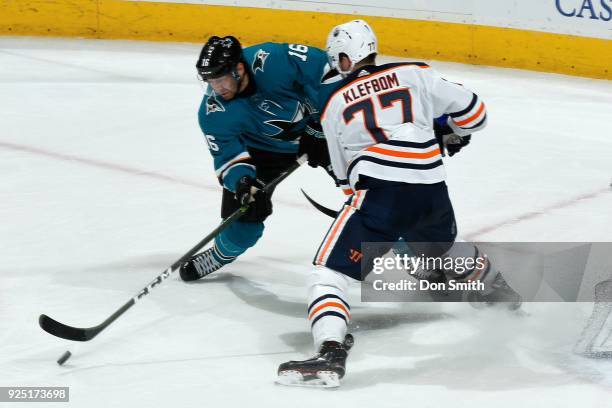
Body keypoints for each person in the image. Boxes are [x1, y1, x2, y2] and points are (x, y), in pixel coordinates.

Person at [276, 20, 521, 387]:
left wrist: (374, 222)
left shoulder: (332, 103)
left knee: (328, 273)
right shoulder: (416, 73)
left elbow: (345, 180)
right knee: (441, 247)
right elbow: (476, 115)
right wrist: (449, 132)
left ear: (344, 58)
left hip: (380, 192)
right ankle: (498, 288)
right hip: (432, 188)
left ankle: (330, 351)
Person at [179, 36, 331, 282]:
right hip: (264, 151)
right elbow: (228, 157)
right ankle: (219, 255)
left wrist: (322, 124)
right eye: (210, 80)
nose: (216, 88)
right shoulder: (213, 113)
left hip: (324, 131)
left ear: (239, 69)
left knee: (376, 186)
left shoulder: (273, 60)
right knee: (243, 223)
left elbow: (330, 73)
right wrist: (243, 184)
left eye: (220, 79)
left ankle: (402, 260)